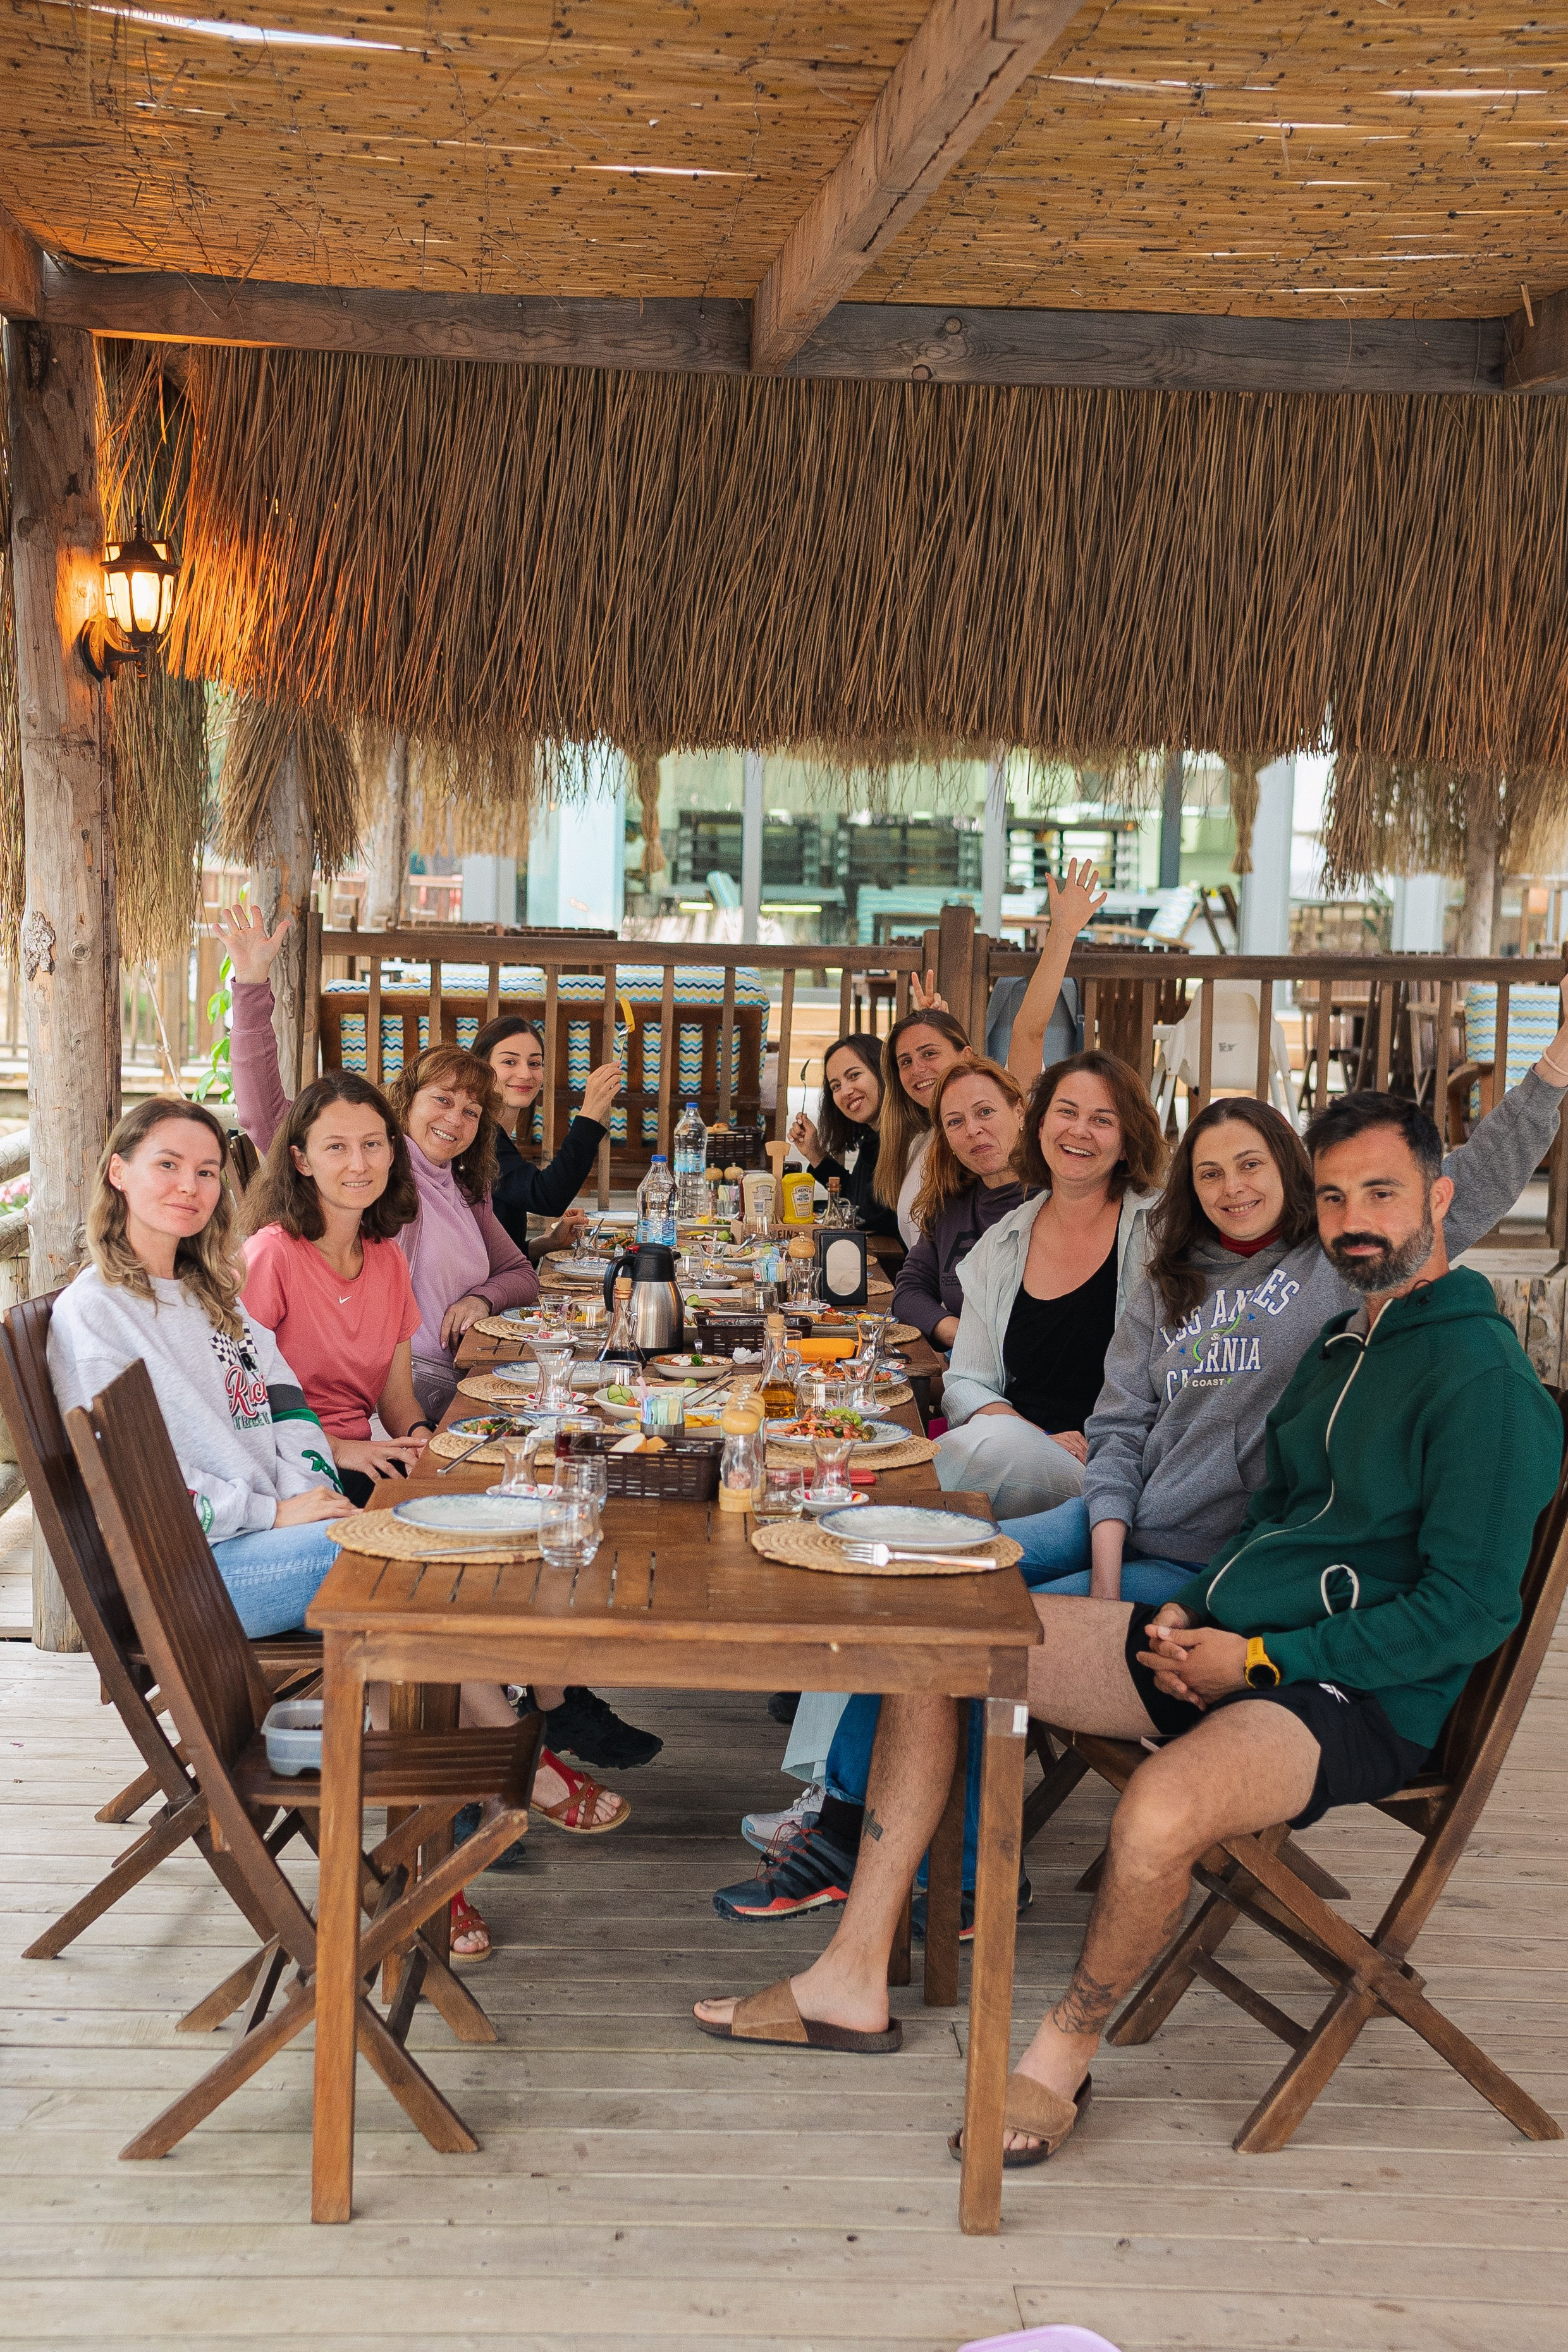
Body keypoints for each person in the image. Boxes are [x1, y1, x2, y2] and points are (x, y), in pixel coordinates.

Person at [689, 1090, 1564, 2179]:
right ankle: (850, 1976)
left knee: (1155, 1813)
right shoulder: (1344, 1348)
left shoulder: (1484, 1379)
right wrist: (1197, 1617)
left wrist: (1260, 1659)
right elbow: (1269, 1524)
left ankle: (1062, 2053)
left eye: (1381, 1192)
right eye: (1335, 1194)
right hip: (1223, 1641)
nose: (1353, 1217)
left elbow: (1469, 1613)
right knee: (944, 1640)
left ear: (1441, 1198)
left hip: (1354, 1697)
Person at [1005, 1009, 1568, 1599]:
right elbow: (1120, 1426)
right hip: (1118, 1518)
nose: (1233, 1189)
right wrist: (1106, 1572)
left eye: (1251, 1165)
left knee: (1025, 1629)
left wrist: (1555, 1063)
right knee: (960, 1565)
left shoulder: (1340, 1257)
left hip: (1214, 1559)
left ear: (1286, 1165)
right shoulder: (1169, 1276)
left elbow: (1481, 1174)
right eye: (1210, 1174)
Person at [217, 906, 539, 1425]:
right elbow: (265, 1114)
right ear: (406, 1103)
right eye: (442, 1100)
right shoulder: (376, 1173)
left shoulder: (463, 1186)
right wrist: (252, 985)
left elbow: (522, 1273)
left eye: (472, 1111)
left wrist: (481, 1299)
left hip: (456, 1379)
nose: (455, 1120)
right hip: (400, 1391)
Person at [47, 1098, 354, 1639]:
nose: (190, 1186)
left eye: (206, 1172)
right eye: (168, 1165)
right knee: (393, 1559)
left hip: (265, 1541)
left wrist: (311, 1496)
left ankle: (530, 1716)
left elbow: (288, 1406)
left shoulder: (212, 1296)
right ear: (118, 1171)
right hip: (186, 1571)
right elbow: (132, 1476)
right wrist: (273, 1514)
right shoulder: (97, 1311)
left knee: (409, 1555)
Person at [933, 1051, 1167, 1517]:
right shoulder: (998, 1247)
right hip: (1023, 1453)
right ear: (1039, 1127)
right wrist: (1034, 1437)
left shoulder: (1165, 1236)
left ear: (1126, 1142)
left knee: (975, 1455)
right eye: (1066, 1112)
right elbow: (966, 1383)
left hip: (1117, 1471)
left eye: (1102, 1119)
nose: (1079, 1130)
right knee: (991, 1447)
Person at [239, 1070, 431, 1508]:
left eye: (372, 1144)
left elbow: (397, 1398)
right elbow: (241, 1407)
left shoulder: (389, 1259)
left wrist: (422, 1441)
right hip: (287, 1469)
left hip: (363, 1460)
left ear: (391, 1152)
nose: (359, 1164)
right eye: (336, 1147)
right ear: (302, 1161)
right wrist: (341, 1449)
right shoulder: (271, 1256)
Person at [891, 1056, 1031, 1345]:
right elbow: (909, 1291)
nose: (972, 1130)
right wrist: (962, 1336)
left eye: (985, 1112)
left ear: (1019, 1112)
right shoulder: (949, 1203)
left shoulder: (1056, 1201)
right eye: (955, 1122)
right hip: (965, 1372)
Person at [474, 1010, 622, 1261]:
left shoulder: (494, 1135)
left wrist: (546, 1244)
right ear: (481, 1067)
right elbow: (547, 1197)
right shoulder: (477, 1135)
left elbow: (497, 1255)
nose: (526, 1074)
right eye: (509, 1062)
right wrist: (590, 1113)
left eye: (534, 1063)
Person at [873, 1005, 972, 1247]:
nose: (917, 1069)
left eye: (929, 1054)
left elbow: (1030, 1033)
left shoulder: (990, 1128)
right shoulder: (918, 1141)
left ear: (966, 1056)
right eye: (905, 1061)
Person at [787, 1033, 900, 1237]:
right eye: (836, 1086)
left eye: (854, 1075)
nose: (846, 1091)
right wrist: (816, 1154)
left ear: (883, 1070)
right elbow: (854, 1198)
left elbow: (871, 1217)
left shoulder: (905, 1137)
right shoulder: (873, 1137)